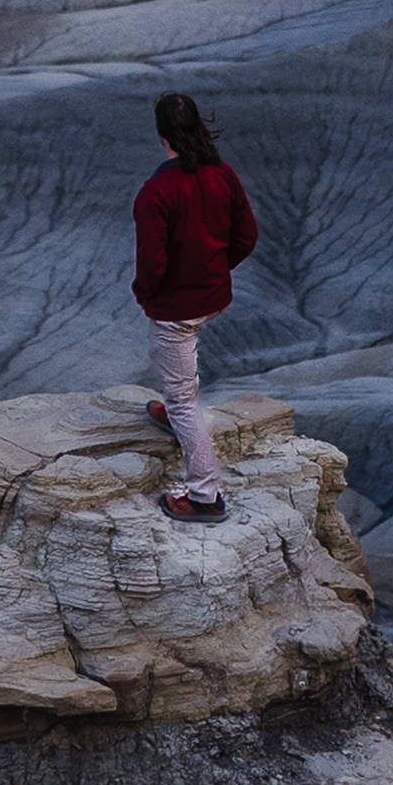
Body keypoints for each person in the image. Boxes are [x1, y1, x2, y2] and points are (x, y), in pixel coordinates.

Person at [132, 90, 257, 521]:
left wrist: (147, 295)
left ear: (162, 135)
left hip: (176, 308)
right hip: (211, 297)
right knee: (181, 370)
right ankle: (175, 405)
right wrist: (214, 271)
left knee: (185, 397)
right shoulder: (223, 175)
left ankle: (205, 496)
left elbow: (152, 261)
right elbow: (247, 236)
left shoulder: (157, 192)